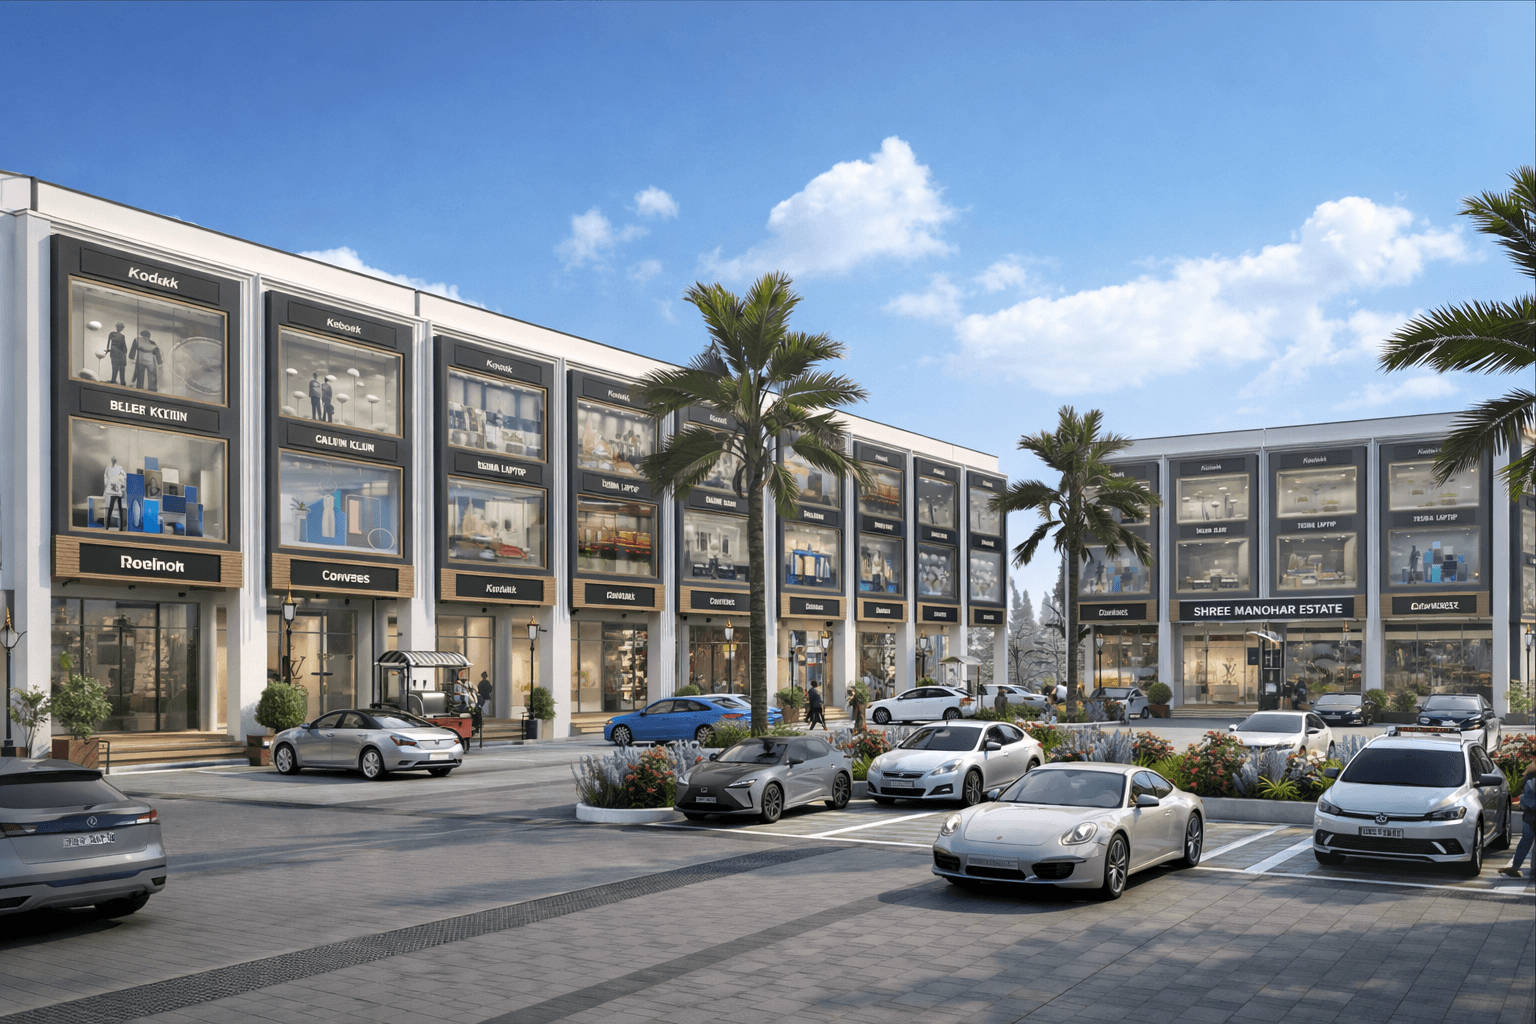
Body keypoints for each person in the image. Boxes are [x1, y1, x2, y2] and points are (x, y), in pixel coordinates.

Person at [1499, 761, 1536, 880]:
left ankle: (1515, 867)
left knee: (1525, 842)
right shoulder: (1530, 781)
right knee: (1526, 842)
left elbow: (1525, 800)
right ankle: (1523, 868)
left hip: (1530, 817)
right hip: (1531, 816)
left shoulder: (1529, 780)